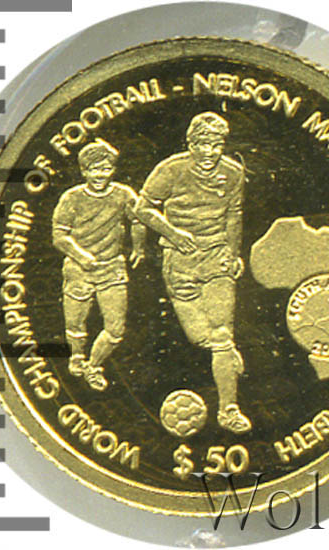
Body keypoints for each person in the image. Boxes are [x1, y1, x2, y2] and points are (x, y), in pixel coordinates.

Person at [135, 112, 251, 434]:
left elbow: (234, 215)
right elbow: (142, 208)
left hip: (216, 257)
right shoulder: (170, 169)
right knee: (200, 337)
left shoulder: (233, 172)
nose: (210, 152)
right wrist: (173, 233)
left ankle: (228, 409)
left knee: (222, 334)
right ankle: (225, 355)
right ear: (191, 144)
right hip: (179, 261)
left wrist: (233, 254)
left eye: (216, 145)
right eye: (203, 144)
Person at [52, 138, 145, 391]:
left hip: (112, 269)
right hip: (78, 270)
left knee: (115, 330)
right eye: (94, 169)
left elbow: (139, 219)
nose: (100, 174)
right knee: (75, 325)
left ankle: (93, 366)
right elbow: (59, 236)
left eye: (105, 168)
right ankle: (76, 356)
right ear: (84, 171)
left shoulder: (124, 194)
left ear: (113, 169)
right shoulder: (71, 198)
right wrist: (81, 256)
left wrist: (138, 247)